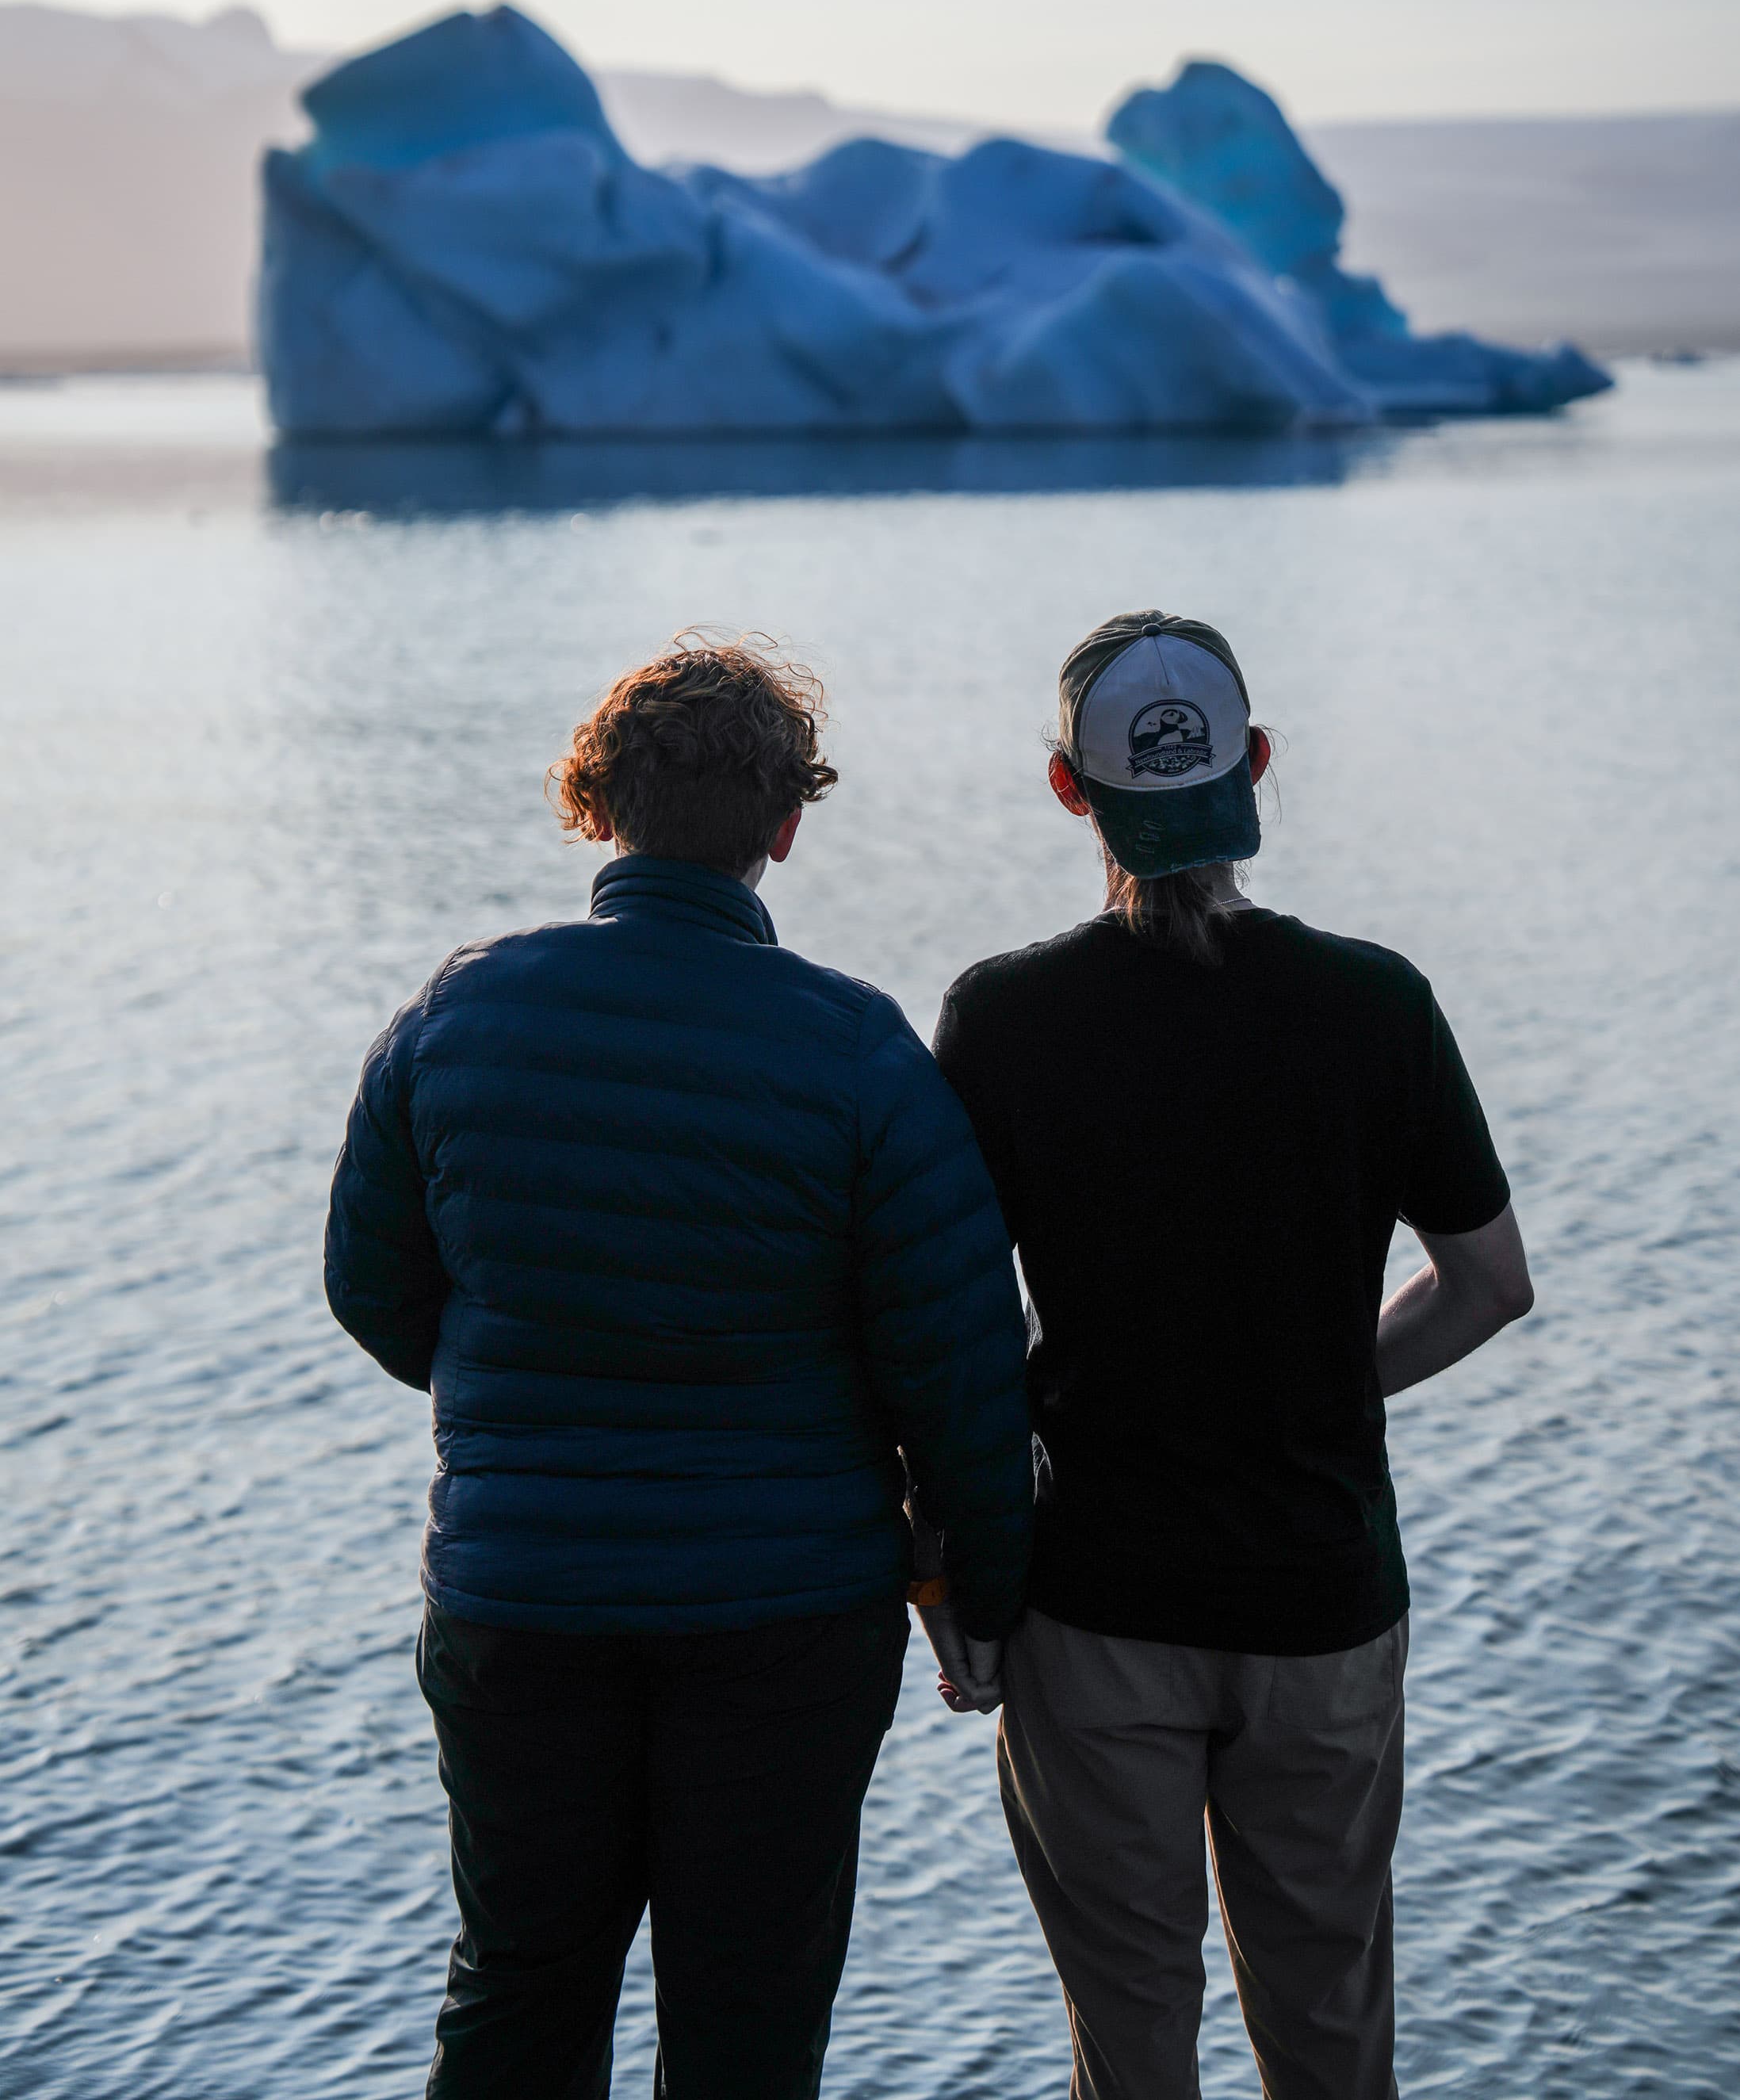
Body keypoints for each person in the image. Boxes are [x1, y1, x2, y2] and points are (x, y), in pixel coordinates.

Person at [323, 633, 1033, 2100]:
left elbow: (374, 1293)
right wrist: (984, 1589)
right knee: (746, 2024)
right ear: (784, 826)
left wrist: (530, 1400)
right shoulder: (854, 1050)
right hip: (783, 1622)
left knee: (518, 1992)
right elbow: (958, 1364)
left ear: (600, 805)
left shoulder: (457, 1018)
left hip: (520, 1602)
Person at [933, 610, 1534, 2100]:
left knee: (1131, 2044)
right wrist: (1326, 1376)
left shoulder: (1001, 1021)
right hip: (1320, 1602)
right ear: (1258, 765)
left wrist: (947, 1563)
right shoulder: (1375, 1001)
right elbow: (1488, 1287)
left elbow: (944, 1330)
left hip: (1097, 1608)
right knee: (1330, 2036)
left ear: (1071, 793)